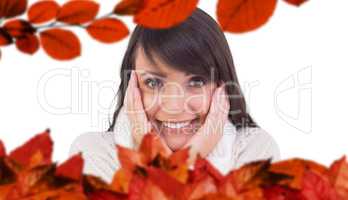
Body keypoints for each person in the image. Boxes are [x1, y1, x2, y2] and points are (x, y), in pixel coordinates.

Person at [69, 7, 280, 184]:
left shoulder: (255, 151)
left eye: (196, 82)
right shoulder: (93, 154)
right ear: (132, 86)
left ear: (221, 87)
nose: (174, 105)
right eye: (153, 82)